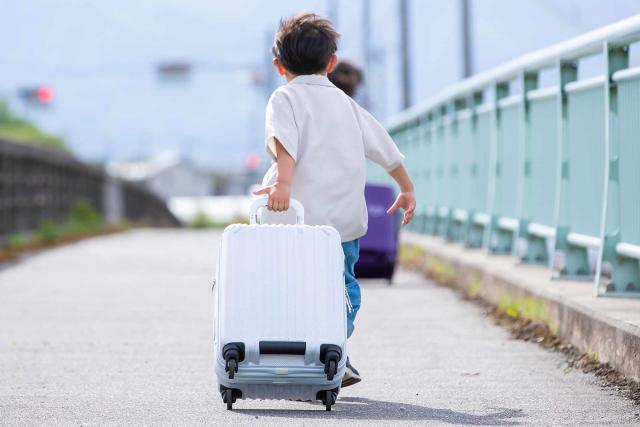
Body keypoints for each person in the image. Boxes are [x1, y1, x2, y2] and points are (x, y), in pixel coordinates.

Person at [253, 12, 416, 388]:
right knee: (342, 290)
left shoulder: (284, 97)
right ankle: (333, 350)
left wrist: (283, 186)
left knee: (286, 286)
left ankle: (293, 351)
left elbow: (284, 144)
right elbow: (385, 149)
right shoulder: (347, 104)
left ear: (278, 66)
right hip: (340, 226)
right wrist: (405, 187)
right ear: (331, 63)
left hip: (289, 221)